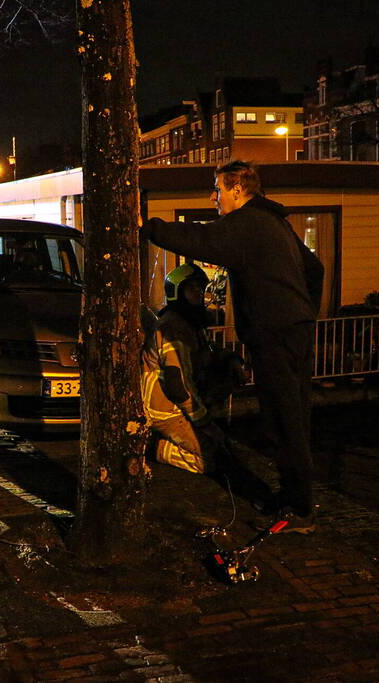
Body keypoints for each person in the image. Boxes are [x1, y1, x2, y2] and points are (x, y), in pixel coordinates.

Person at [144, 160, 324, 534]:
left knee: (281, 417)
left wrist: (152, 229)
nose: (214, 197)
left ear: (238, 190)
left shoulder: (245, 224)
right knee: (297, 411)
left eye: (218, 189)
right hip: (297, 329)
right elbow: (316, 269)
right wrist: (304, 310)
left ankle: (297, 505)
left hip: (274, 332)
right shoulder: (277, 224)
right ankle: (298, 493)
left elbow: (201, 239)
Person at [140, 264, 237, 474]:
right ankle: (151, 447)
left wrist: (230, 358)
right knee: (211, 459)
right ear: (177, 293)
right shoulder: (173, 328)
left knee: (223, 449)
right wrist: (204, 422)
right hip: (165, 409)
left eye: (200, 289)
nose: (199, 294)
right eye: (191, 289)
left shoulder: (189, 323)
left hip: (181, 404)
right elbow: (178, 385)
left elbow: (205, 353)